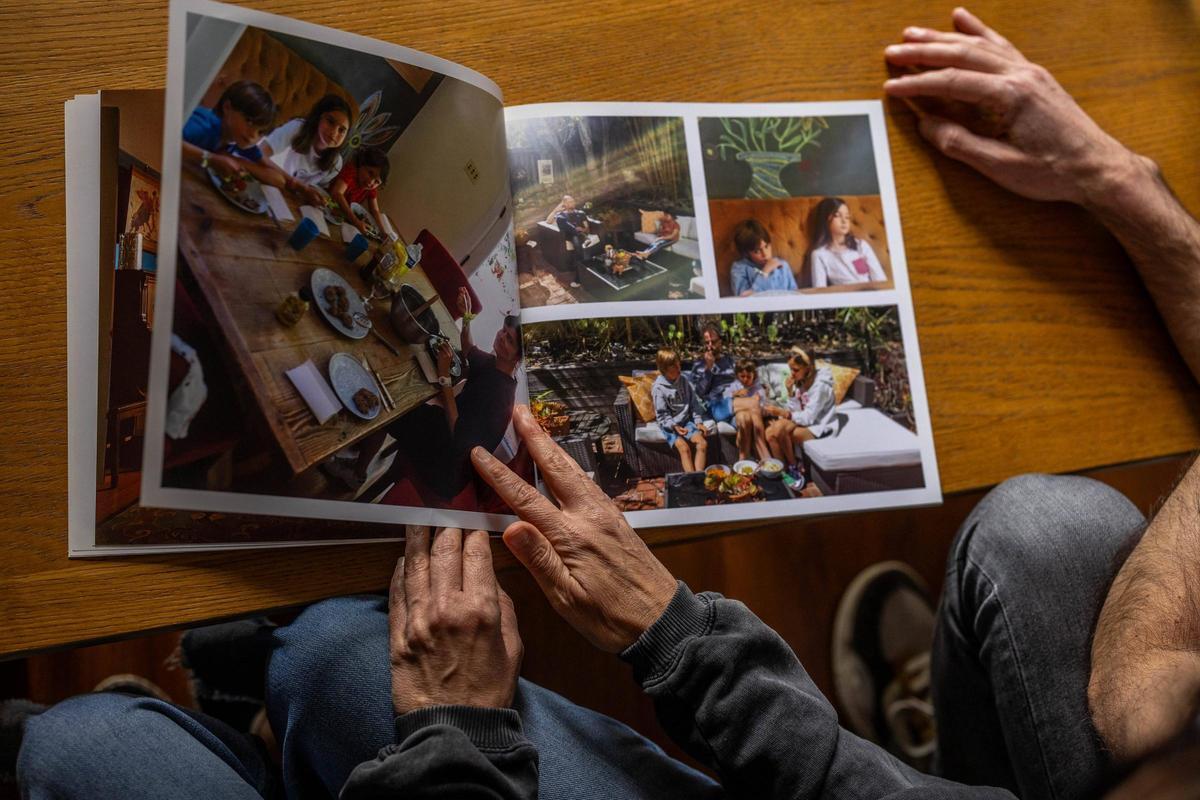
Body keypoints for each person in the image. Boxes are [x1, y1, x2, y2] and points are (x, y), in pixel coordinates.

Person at [363, 288, 522, 502]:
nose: (502, 337)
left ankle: (355, 473)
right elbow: (468, 349)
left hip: (446, 466)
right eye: (503, 331)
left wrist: (444, 377)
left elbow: (459, 436)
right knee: (401, 400)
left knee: (393, 407)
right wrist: (466, 318)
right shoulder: (496, 366)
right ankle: (359, 464)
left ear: (517, 358)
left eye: (510, 340)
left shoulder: (498, 397)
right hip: (447, 433)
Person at [257, 94, 353, 206]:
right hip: (266, 178)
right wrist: (300, 187)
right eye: (330, 122)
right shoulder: (297, 129)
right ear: (319, 117)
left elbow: (316, 187)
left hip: (291, 198)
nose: (334, 133)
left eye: (342, 130)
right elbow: (259, 153)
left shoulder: (336, 163)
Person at [181, 80, 277, 182]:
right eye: (249, 121)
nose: (253, 135)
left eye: (260, 132)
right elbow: (167, 141)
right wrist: (211, 159)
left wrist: (291, 181)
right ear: (227, 107)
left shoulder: (237, 139)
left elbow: (267, 164)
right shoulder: (204, 126)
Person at [765, 347, 837, 473]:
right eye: (790, 369)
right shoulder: (802, 379)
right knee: (770, 433)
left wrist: (784, 413)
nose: (792, 373)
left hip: (820, 427)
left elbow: (808, 418)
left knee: (779, 430)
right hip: (807, 422)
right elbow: (797, 410)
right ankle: (783, 470)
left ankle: (794, 467)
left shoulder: (821, 386)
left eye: (796, 369)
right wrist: (790, 392)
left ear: (808, 367)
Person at [805, 197, 888, 287]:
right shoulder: (819, 254)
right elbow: (819, 289)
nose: (844, 221)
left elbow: (880, 279)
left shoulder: (860, 245)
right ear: (825, 219)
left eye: (847, 217)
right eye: (837, 215)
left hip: (870, 294)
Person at [651, 348, 708, 473]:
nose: (679, 368)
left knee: (702, 444)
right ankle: (692, 481)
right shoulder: (658, 388)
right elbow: (662, 414)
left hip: (686, 421)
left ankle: (698, 477)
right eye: (674, 366)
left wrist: (698, 422)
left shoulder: (684, 381)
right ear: (664, 369)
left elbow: (694, 403)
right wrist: (674, 426)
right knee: (684, 448)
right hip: (669, 425)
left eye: (679, 364)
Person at [725, 358, 788, 462]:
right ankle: (758, 453)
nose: (745, 379)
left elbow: (763, 408)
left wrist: (759, 403)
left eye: (749, 376)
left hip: (755, 418)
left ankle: (747, 458)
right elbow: (725, 400)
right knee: (744, 415)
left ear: (754, 375)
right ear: (737, 376)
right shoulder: (735, 386)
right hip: (738, 418)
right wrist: (734, 394)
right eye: (742, 376)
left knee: (751, 414)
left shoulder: (758, 389)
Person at [729, 218, 798, 296]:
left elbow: (794, 293)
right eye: (757, 251)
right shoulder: (740, 268)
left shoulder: (782, 265)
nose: (765, 254)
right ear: (746, 253)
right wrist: (765, 271)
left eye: (766, 246)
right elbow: (742, 297)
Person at [331, 146, 389, 238]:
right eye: (370, 173)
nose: (371, 182)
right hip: (327, 206)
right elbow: (337, 193)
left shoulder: (371, 187)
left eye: (377, 182)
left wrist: (383, 232)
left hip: (343, 217)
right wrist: (356, 222)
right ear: (362, 163)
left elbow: (374, 210)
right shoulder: (352, 170)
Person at [688, 322, 737, 423]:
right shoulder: (698, 365)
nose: (710, 346)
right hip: (717, 405)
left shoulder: (730, 361)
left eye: (713, 342)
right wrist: (708, 369)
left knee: (746, 420)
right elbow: (699, 393)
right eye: (707, 342)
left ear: (720, 342)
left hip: (735, 401)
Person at [547, 194, 594, 288]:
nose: (572, 203)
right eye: (568, 202)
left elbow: (587, 229)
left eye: (572, 201)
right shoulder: (561, 215)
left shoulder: (581, 213)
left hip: (578, 236)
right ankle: (579, 235)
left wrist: (582, 229)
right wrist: (556, 209)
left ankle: (578, 278)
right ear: (564, 204)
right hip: (570, 236)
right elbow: (548, 221)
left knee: (576, 239)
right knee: (561, 219)